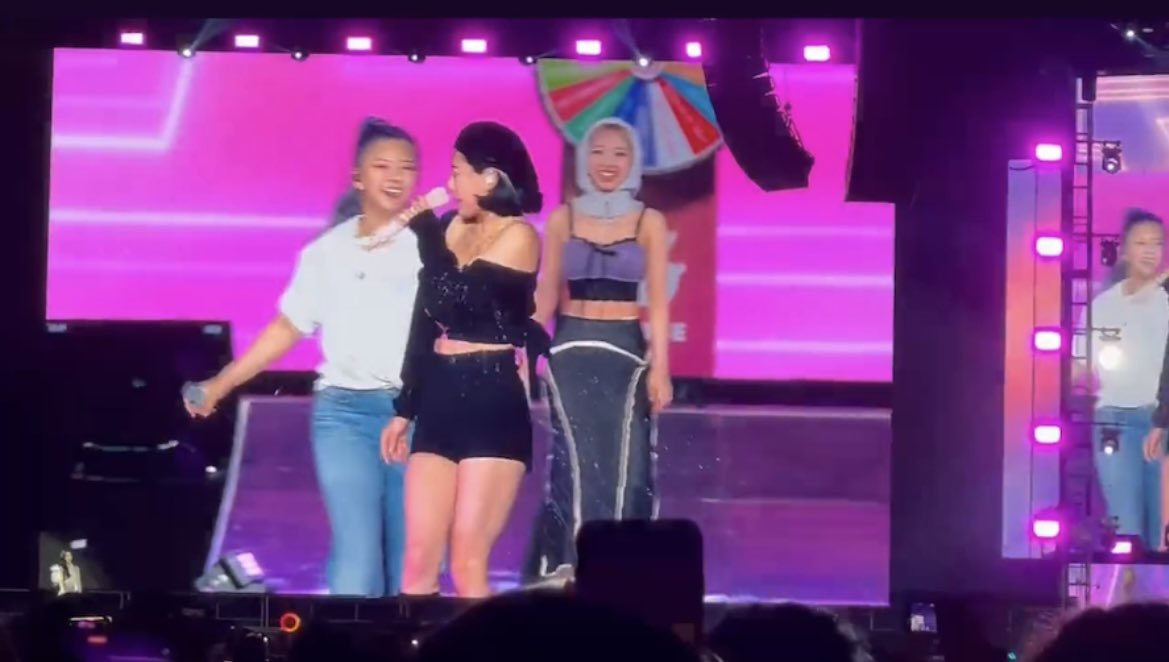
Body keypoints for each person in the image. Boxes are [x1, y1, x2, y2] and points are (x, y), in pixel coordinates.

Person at [185, 117, 423, 596]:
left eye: (406, 167)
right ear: (358, 178)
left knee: (412, 556)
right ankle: (350, 635)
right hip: (345, 414)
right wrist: (219, 385)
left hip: (418, 414)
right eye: (382, 166)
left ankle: (414, 637)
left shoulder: (435, 249)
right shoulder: (326, 254)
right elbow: (285, 328)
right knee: (358, 556)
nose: (395, 176)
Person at [379, 120, 547, 599]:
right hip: (440, 395)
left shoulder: (520, 237)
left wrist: (425, 234)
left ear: (489, 178)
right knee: (417, 561)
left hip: (491, 399)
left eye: (457, 173)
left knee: (467, 561)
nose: (449, 185)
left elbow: (458, 304)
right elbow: (425, 320)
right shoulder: (451, 227)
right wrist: (405, 407)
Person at [521, 117, 673, 584]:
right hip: (571, 351)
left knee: (629, 465)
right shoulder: (562, 219)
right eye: (599, 151)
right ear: (585, 158)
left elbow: (659, 302)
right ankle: (568, 567)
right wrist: (525, 351)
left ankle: (621, 568)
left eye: (619, 153)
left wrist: (661, 369)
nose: (608, 162)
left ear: (633, 162)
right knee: (575, 463)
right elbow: (547, 295)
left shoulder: (649, 221)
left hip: (626, 353)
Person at [1078, 209, 1169, 552]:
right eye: (1141, 243)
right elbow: (1080, 366)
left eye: (1157, 243)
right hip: (1114, 423)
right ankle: (1128, 587)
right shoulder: (1102, 306)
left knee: (1162, 534)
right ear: (1124, 249)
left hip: (1161, 421)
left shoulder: (1166, 299)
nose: (1150, 251)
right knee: (1126, 532)